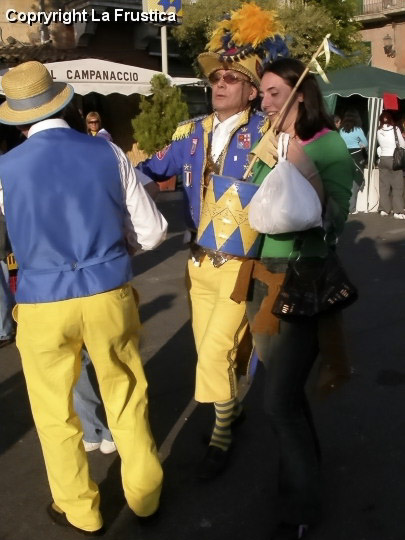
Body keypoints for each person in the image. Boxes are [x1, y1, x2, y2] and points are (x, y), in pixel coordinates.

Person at [0, 60, 167, 535]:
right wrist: (119, 249)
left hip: (41, 301)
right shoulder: (107, 151)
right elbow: (153, 232)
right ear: (63, 104)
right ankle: (145, 496)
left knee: (54, 412)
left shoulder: (5, 168)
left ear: (18, 118)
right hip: (107, 293)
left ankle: (80, 510)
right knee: (126, 395)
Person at [139, 3, 288, 480]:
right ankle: (232, 409)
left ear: (250, 90)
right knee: (208, 346)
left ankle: (222, 430)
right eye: (215, 78)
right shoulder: (190, 133)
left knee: (215, 350)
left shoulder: (269, 133)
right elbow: (145, 173)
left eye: (230, 78)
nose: (219, 84)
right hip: (197, 262)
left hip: (240, 264)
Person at [236, 58, 353, 540]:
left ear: (300, 95)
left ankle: (301, 506)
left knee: (279, 402)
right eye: (262, 93)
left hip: (301, 279)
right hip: (260, 277)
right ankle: (305, 473)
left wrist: (304, 170)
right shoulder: (268, 142)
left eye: (274, 93)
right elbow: (251, 207)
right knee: (286, 397)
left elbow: (335, 222)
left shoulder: (328, 146)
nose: (264, 102)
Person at [376, 110, 405, 218]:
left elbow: (380, 145)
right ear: (390, 119)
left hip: (383, 158)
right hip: (394, 159)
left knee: (384, 186)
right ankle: (398, 211)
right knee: (397, 186)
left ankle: (384, 209)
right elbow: (402, 144)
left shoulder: (378, 131)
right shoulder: (395, 129)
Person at [339, 109, 368, 214]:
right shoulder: (358, 129)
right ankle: (352, 208)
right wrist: (359, 143)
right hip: (356, 156)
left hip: (345, 155)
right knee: (355, 181)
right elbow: (365, 143)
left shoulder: (341, 130)